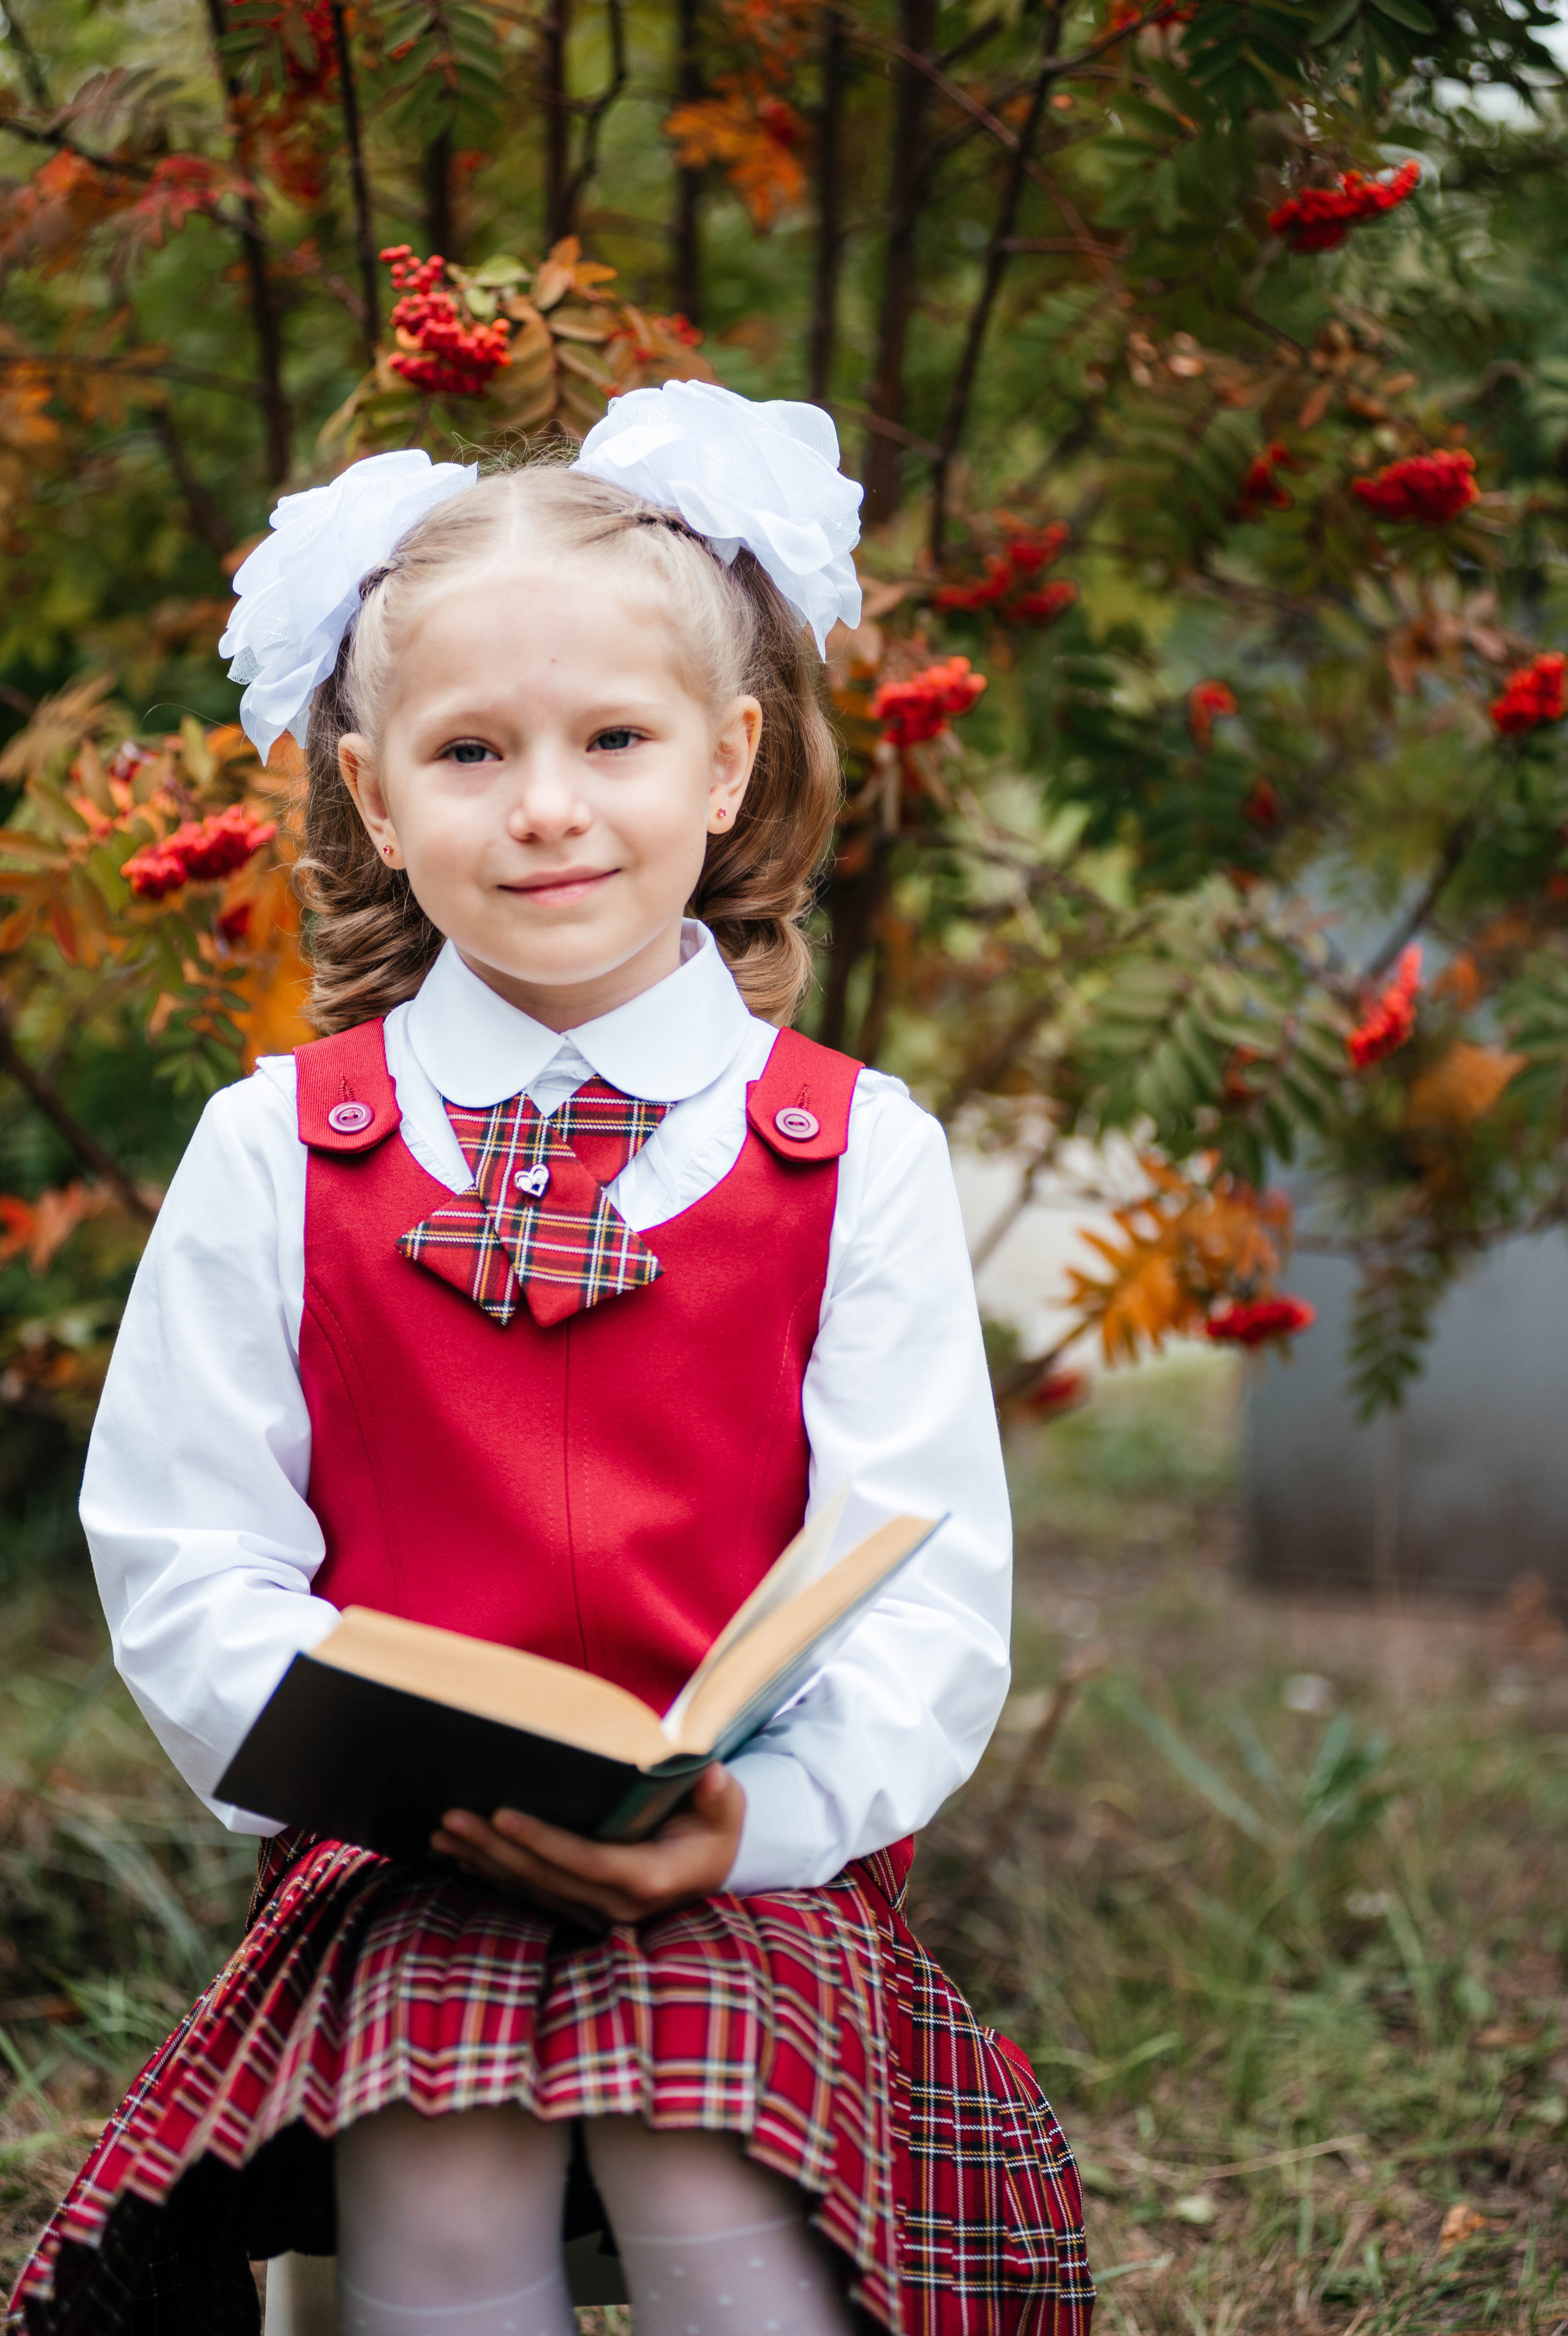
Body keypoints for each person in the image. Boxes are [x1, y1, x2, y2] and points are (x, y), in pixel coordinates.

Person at [6, 383, 1093, 2336]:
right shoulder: (282, 1149)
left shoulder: (852, 1152)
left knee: (708, 2155)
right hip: (398, 1862)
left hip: (752, 1862)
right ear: (369, 788)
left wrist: (764, 1818)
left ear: (731, 759)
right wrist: (356, 1772)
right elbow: (182, 1549)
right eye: (471, 749)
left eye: (614, 738)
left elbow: (917, 1575)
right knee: (441, 2140)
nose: (547, 805)